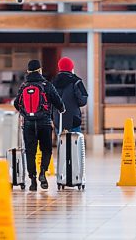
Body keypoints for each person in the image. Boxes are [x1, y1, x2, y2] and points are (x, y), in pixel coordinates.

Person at [14, 60, 65, 191]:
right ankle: (42, 172)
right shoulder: (46, 84)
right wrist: (61, 108)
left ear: (28, 71)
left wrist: (25, 113)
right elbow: (57, 100)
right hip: (44, 122)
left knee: (30, 152)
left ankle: (32, 181)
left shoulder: (24, 86)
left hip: (28, 124)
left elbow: (16, 103)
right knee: (46, 149)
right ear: (40, 70)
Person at [53, 57, 88, 133]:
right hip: (73, 120)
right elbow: (83, 101)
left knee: (61, 143)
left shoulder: (53, 82)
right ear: (71, 67)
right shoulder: (76, 81)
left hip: (58, 120)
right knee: (75, 143)